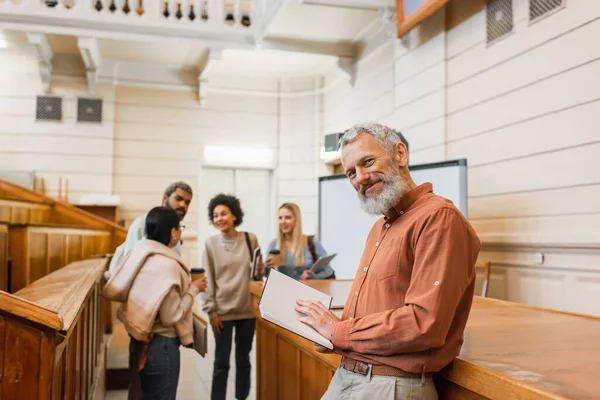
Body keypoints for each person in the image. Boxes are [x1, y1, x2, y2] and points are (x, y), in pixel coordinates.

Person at [295, 122, 481, 400]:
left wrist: (339, 331)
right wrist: (329, 335)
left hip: (391, 385)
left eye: (367, 161)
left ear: (400, 154)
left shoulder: (438, 218)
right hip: (349, 375)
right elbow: (371, 313)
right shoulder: (380, 228)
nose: (360, 178)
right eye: (350, 173)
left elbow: (424, 323)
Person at [103, 206, 207, 400]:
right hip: (161, 346)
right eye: (180, 227)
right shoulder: (166, 265)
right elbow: (171, 316)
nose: (180, 231)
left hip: (139, 340)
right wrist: (193, 289)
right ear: (172, 232)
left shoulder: (139, 254)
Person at [200, 194, 264, 400]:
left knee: (243, 360)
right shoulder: (210, 244)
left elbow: (257, 275)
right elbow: (207, 279)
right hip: (222, 313)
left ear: (234, 215)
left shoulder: (249, 238)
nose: (219, 218)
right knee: (221, 363)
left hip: (247, 310)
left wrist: (263, 268)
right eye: (215, 215)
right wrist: (211, 312)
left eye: (224, 214)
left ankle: (242, 398)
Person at [107, 181, 193, 277]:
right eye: (178, 199)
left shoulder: (176, 229)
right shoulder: (142, 223)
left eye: (187, 202)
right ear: (165, 198)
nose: (183, 205)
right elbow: (130, 265)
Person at [265, 202, 335, 280]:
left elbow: (328, 271)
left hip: (307, 290)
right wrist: (262, 269)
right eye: (280, 218)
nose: (283, 222)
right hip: (283, 291)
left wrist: (312, 276)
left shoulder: (312, 242)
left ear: (296, 220)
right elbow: (266, 274)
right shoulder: (274, 244)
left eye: (287, 217)